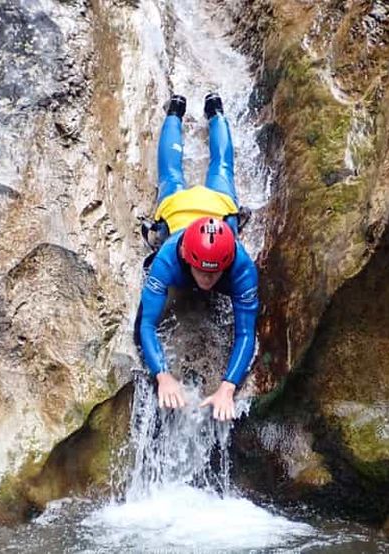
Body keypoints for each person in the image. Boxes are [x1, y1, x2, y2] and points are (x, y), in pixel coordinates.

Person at [136, 92, 260, 421]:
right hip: (180, 209)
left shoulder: (242, 268)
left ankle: (215, 110)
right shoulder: (166, 260)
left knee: (222, 166)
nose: (207, 280)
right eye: (201, 272)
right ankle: (174, 112)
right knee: (170, 176)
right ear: (187, 260)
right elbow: (145, 324)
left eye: (214, 273)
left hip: (218, 205)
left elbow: (247, 333)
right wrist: (162, 374)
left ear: (228, 264)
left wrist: (227, 387)